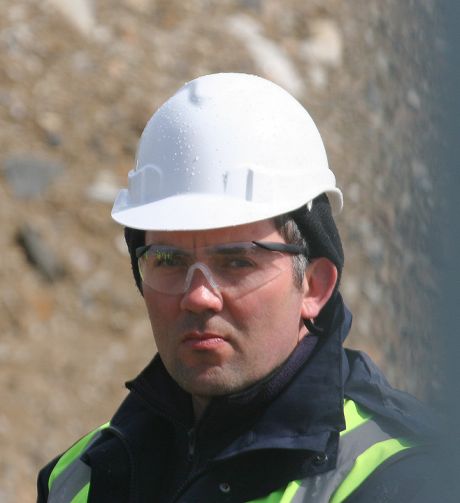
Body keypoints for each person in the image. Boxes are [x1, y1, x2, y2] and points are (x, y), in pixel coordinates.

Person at [37, 73, 434, 503]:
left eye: (237, 262)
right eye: (168, 260)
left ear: (314, 286)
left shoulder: (407, 482)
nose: (198, 295)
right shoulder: (79, 477)